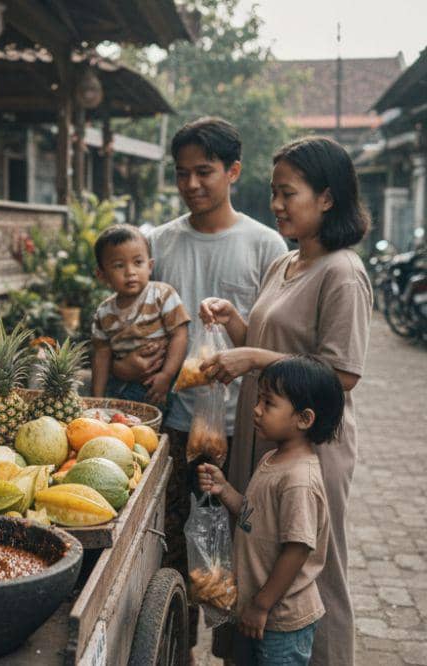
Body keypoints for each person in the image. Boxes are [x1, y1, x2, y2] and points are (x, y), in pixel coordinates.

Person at [111, 117, 287, 654]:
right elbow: (129, 321)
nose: (191, 184)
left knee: (240, 550)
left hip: (243, 431)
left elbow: (268, 340)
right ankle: (176, 650)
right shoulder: (157, 243)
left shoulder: (266, 245)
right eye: (181, 173)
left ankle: (236, 653)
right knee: (169, 550)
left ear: (233, 171)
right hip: (170, 424)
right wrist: (127, 363)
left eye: (204, 171)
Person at [200, 136, 372, 665]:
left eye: (287, 193)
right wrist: (235, 323)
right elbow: (271, 343)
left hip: (310, 449)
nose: (275, 204)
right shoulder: (287, 263)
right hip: (267, 437)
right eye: (274, 192)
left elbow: (341, 373)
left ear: (327, 197)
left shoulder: (342, 272)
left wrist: (253, 356)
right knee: (256, 549)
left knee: (314, 569)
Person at [198, 355, 342, 666]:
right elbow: (254, 515)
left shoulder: (298, 480)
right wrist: (225, 490)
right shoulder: (272, 460)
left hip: (281, 620)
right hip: (259, 610)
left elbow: (297, 549)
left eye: (268, 403)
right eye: (259, 399)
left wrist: (261, 605)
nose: (256, 409)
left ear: (304, 419)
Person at [90, 224, 190, 407]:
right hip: (118, 388)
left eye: (138, 262)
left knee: (154, 423)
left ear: (150, 266)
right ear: (102, 275)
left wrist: (166, 375)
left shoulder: (162, 295)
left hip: (157, 386)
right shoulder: (104, 313)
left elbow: (180, 335)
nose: (130, 272)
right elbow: (101, 356)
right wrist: (96, 399)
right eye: (119, 265)